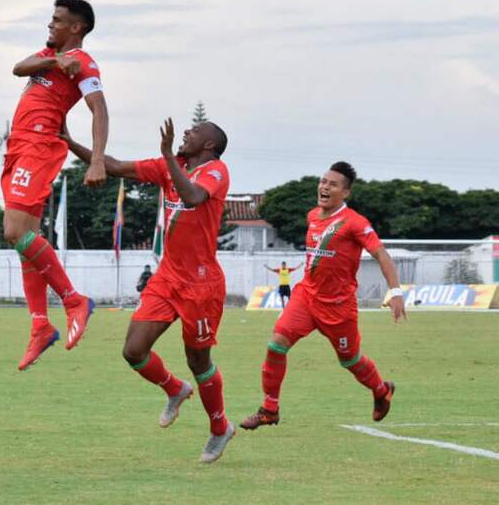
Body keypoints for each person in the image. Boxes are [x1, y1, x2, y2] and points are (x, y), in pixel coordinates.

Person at [64, 117, 235, 464]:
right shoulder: (168, 166)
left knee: (198, 360)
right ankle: (175, 389)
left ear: (210, 145)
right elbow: (112, 166)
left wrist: (168, 156)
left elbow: (192, 197)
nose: (187, 131)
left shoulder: (216, 171)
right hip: (167, 278)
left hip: (201, 286)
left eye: (195, 130)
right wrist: (69, 141)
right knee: (133, 351)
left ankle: (220, 428)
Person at [240, 162, 407, 432]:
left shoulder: (355, 222)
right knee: (276, 345)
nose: (324, 187)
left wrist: (396, 291)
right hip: (306, 297)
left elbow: (381, 254)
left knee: (350, 360)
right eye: (323, 181)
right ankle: (269, 409)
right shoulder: (312, 216)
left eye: (332, 184)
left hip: (338, 307)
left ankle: (380, 390)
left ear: (346, 193)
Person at [3, 0, 107, 370]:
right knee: (25, 244)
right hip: (18, 146)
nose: (50, 25)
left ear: (76, 27)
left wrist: (96, 160)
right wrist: (52, 59)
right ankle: (40, 326)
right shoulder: (48, 55)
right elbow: (19, 68)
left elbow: (100, 108)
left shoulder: (83, 62)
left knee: (15, 232)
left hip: (39, 145)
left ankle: (72, 299)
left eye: (57, 20)